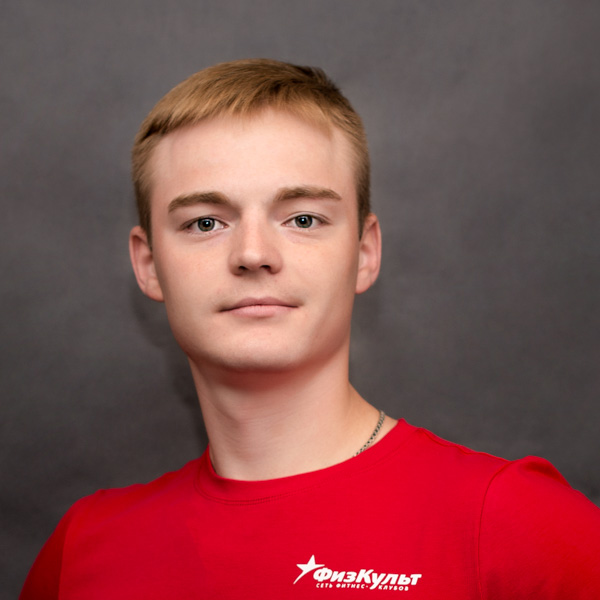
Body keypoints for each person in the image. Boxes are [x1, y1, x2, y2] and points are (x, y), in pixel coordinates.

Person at [20, 58, 600, 599]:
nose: (253, 254)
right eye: (205, 223)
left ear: (365, 253)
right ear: (148, 265)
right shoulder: (83, 551)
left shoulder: (514, 524)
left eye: (302, 218)